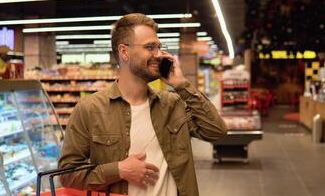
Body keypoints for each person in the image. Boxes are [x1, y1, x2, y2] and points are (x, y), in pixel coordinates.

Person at [58, 13, 227, 196]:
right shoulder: (89, 110)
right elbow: (68, 174)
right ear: (124, 52)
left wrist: (181, 85)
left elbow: (216, 131)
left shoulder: (172, 104)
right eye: (150, 47)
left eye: (159, 47)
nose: (159, 54)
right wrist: (119, 170)